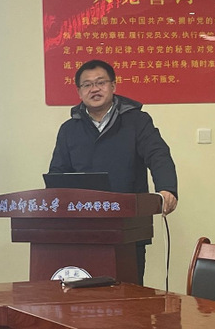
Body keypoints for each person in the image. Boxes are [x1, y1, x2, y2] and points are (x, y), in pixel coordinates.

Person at [48, 59, 178, 285]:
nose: (94, 89)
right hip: (81, 228)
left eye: (100, 82)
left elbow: (158, 155)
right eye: (87, 85)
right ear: (79, 92)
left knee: (129, 294)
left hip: (128, 226)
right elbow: (58, 174)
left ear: (113, 86)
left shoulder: (137, 121)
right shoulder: (69, 129)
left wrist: (167, 189)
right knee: (83, 297)